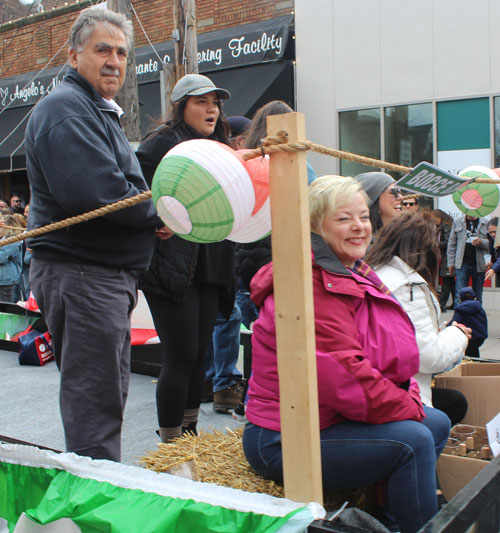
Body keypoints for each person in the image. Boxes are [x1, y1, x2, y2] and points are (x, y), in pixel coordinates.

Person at [243, 176, 450, 533]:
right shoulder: (311, 282)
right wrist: (408, 406)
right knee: (413, 440)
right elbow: (346, 378)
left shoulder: (351, 270)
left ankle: (389, 516)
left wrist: (410, 400)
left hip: (328, 418)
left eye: (363, 217)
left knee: (436, 421)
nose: (359, 227)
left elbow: (391, 360)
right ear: (314, 225)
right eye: (343, 219)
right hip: (282, 437)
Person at [25, 7, 164, 461]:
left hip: (97, 274)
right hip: (83, 274)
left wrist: (150, 214)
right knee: (95, 407)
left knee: (104, 399)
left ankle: (97, 500)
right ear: (73, 55)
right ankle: (93, 516)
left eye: (122, 52)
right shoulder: (65, 107)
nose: (115, 61)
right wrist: (159, 212)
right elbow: (98, 193)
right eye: (102, 49)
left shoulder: (94, 110)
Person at [136, 73, 236, 441]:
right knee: (179, 355)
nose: (211, 110)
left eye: (215, 103)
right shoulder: (160, 144)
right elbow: (134, 191)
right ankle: (170, 445)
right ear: (181, 107)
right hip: (171, 265)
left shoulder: (222, 144)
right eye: (201, 102)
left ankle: (189, 439)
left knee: (198, 356)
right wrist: (154, 216)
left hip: (211, 263)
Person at [365, 212, 470, 426]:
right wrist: (458, 334)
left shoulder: (376, 273)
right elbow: (428, 356)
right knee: (445, 415)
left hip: (381, 386)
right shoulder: (407, 287)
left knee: (455, 401)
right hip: (401, 392)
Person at [235, 100, 318, 329]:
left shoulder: (245, 158)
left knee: (254, 331)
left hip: (246, 253)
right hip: (281, 253)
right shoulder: (293, 159)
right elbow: (315, 200)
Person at [203, 114, 250, 412]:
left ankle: (211, 381)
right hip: (224, 255)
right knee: (227, 315)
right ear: (241, 141)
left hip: (223, 254)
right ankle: (224, 384)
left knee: (219, 316)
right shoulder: (231, 168)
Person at [447, 214, 489, 307]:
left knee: (478, 295)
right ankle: (459, 318)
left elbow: (491, 243)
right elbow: (452, 244)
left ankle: (476, 318)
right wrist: (451, 263)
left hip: (479, 264)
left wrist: (481, 242)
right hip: (462, 263)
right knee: (459, 294)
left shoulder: (485, 222)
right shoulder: (457, 222)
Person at [354, 172, 403, 236]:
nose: (401, 197)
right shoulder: (359, 240)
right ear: (374, 198)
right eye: (394, 192)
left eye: (400, 191)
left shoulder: (405, 235)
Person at [448, 287, 488, 358]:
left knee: (468, 353)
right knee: (474, 351)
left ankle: (471, 366)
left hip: (469, 337)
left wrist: (447, 325)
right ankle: (476, 363)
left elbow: (454, 322)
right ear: (474, 298)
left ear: (460, 299)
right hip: (481, 337)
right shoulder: (479, 307)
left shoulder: (460, 309)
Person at [433, 209, 456, 311]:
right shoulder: (446, 226)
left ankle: (442, 304)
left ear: (440, 217)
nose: (434, 221)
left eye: (435, 219)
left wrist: (436, 244)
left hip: (447, 257)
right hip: (447, 256)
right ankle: (455, 303)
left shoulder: (446, 227)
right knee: (450, 282)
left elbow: (447, 243)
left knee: (446, 281)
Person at [0, 214, 23, 303]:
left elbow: (2, 258)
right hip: (2, 279)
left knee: (7, 308)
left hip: (7, 280)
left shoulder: (13, 240)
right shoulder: (3, 239)